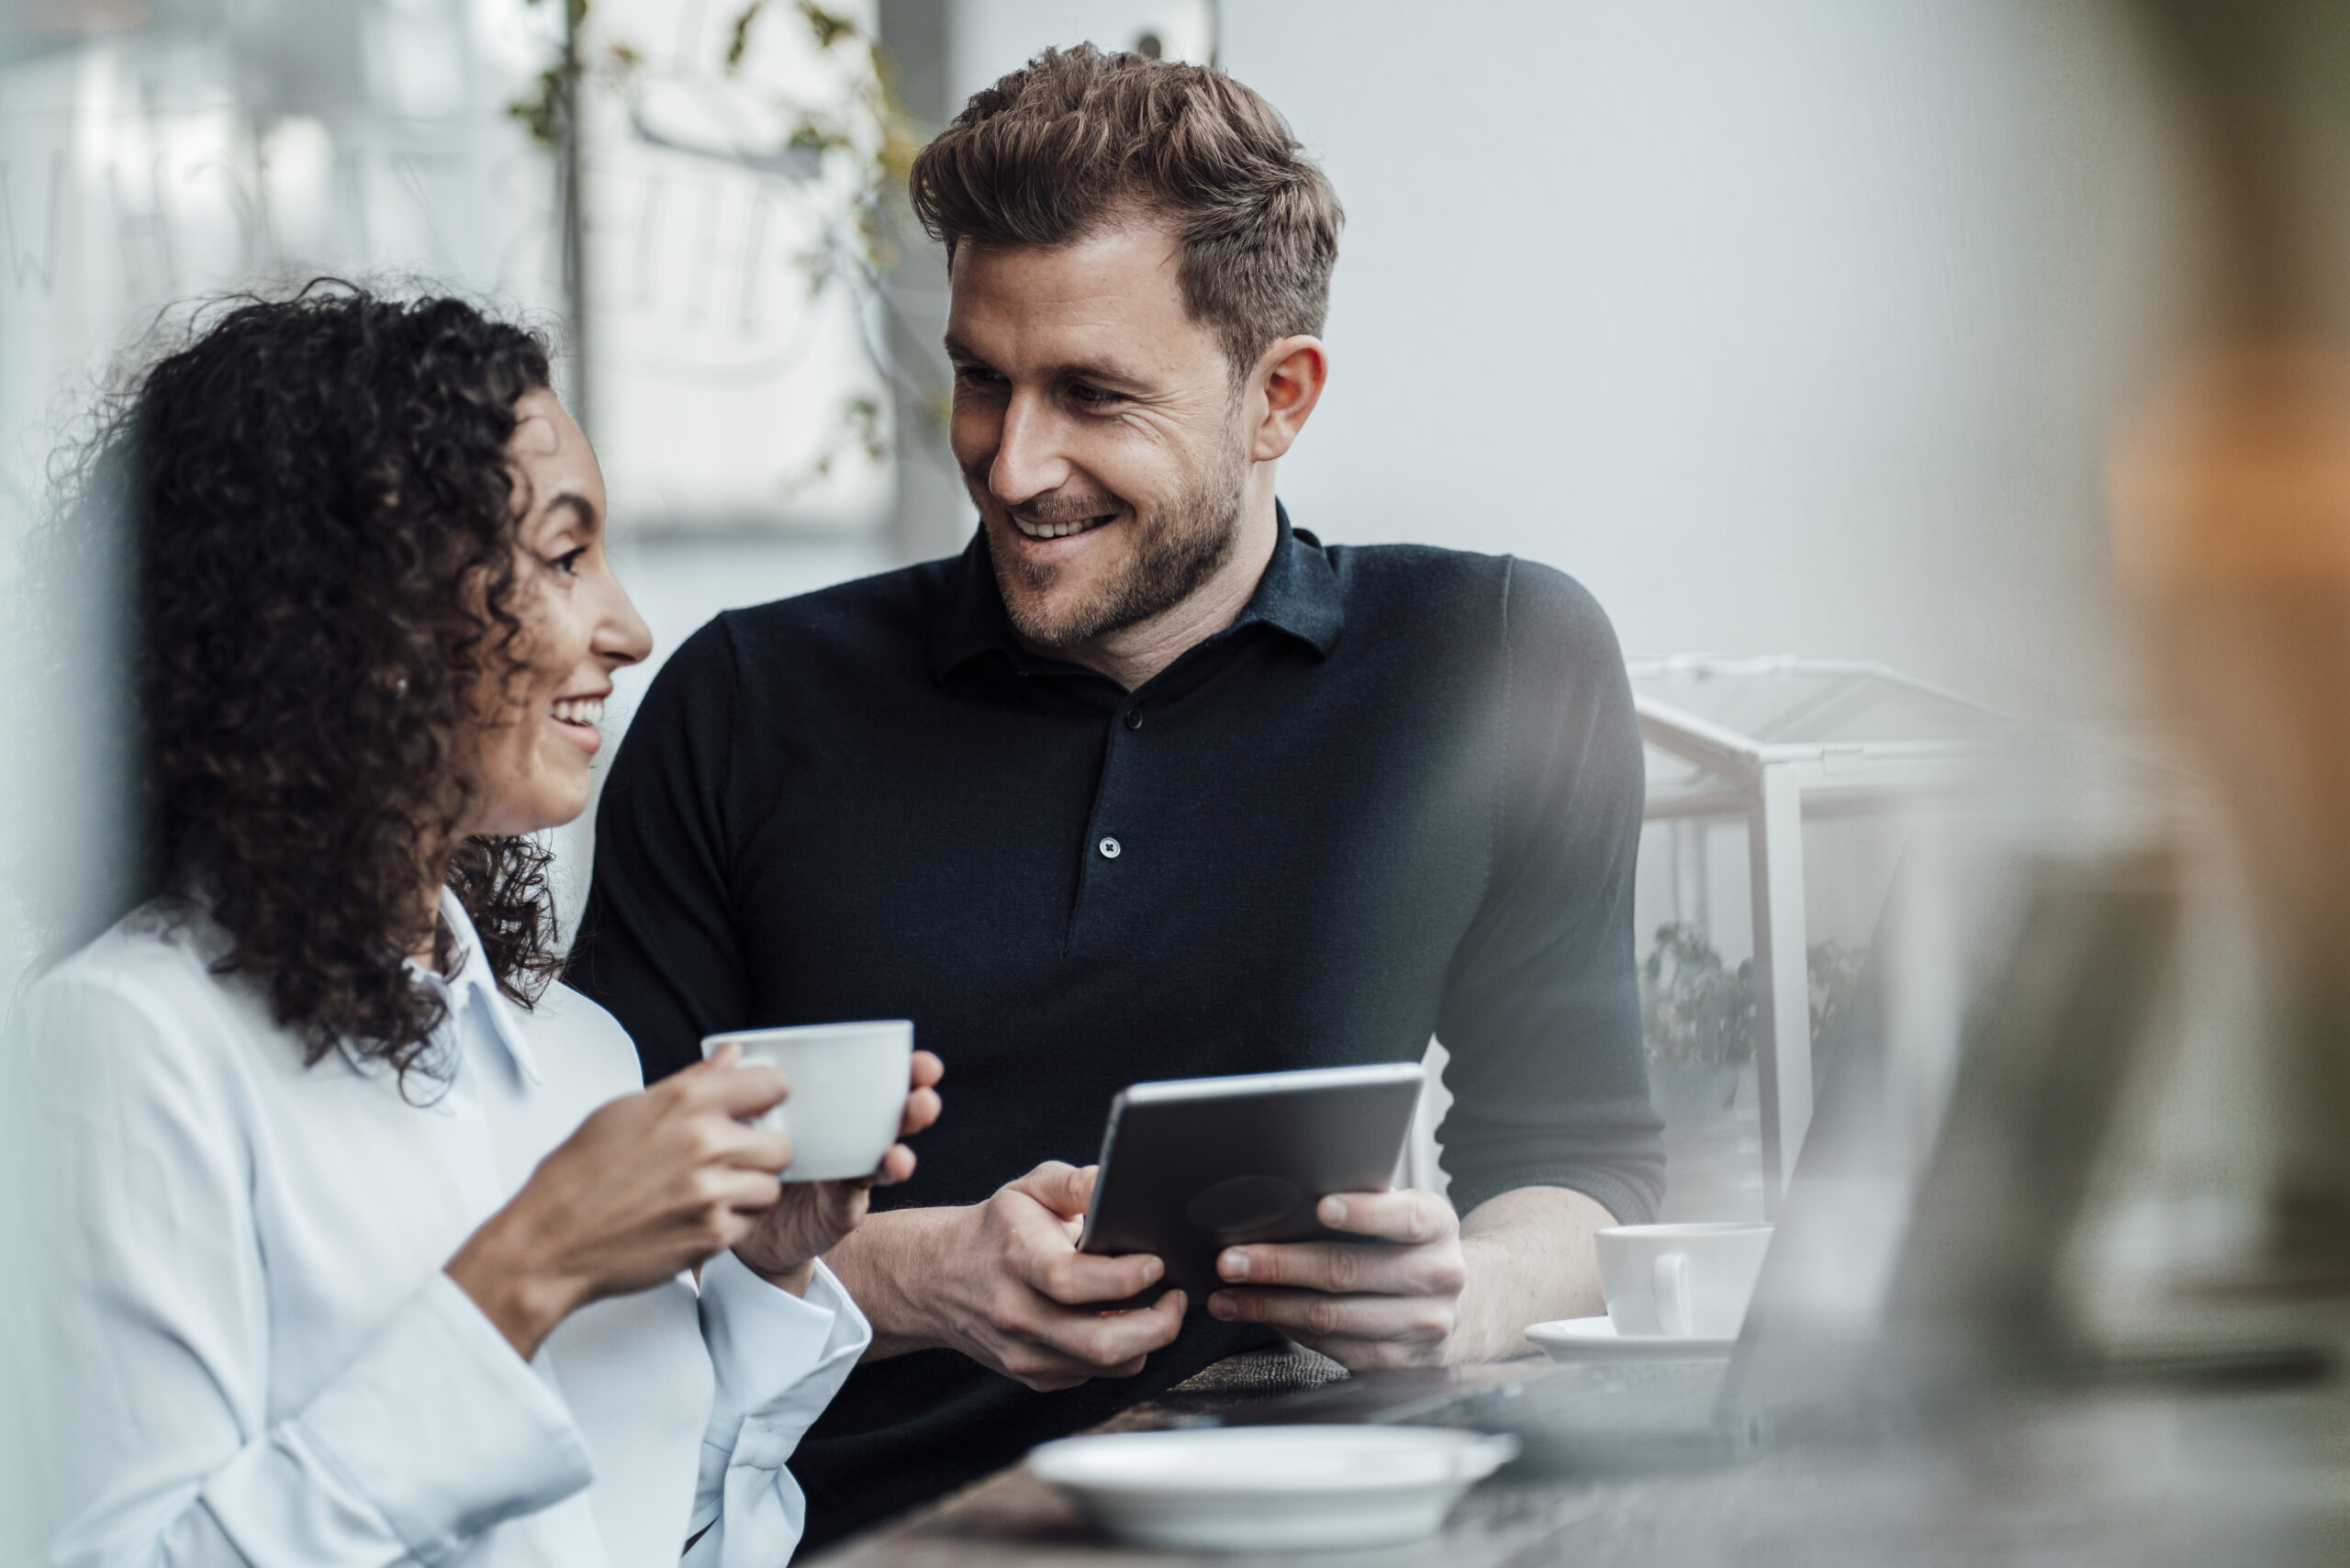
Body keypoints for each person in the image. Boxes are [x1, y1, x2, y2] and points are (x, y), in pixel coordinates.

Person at [569, 45, 1664, 1546]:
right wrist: (911, 1280)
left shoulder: (1495, 659)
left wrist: (1457, 1296)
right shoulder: (748, 704)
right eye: (980, 380)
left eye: (1091, 394)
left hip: (1318, 1521)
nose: (1015, 466)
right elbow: (595, 1244)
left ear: (1277, 396)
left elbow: (1589, 1170)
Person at [0, 289, 942, 1568]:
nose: (628, 627)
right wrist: (529, 1270)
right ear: (366, 615)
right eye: (563, 558)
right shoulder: (124, 1046)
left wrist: (767, 1277)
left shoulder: (583, 1056)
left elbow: (665, 1535)